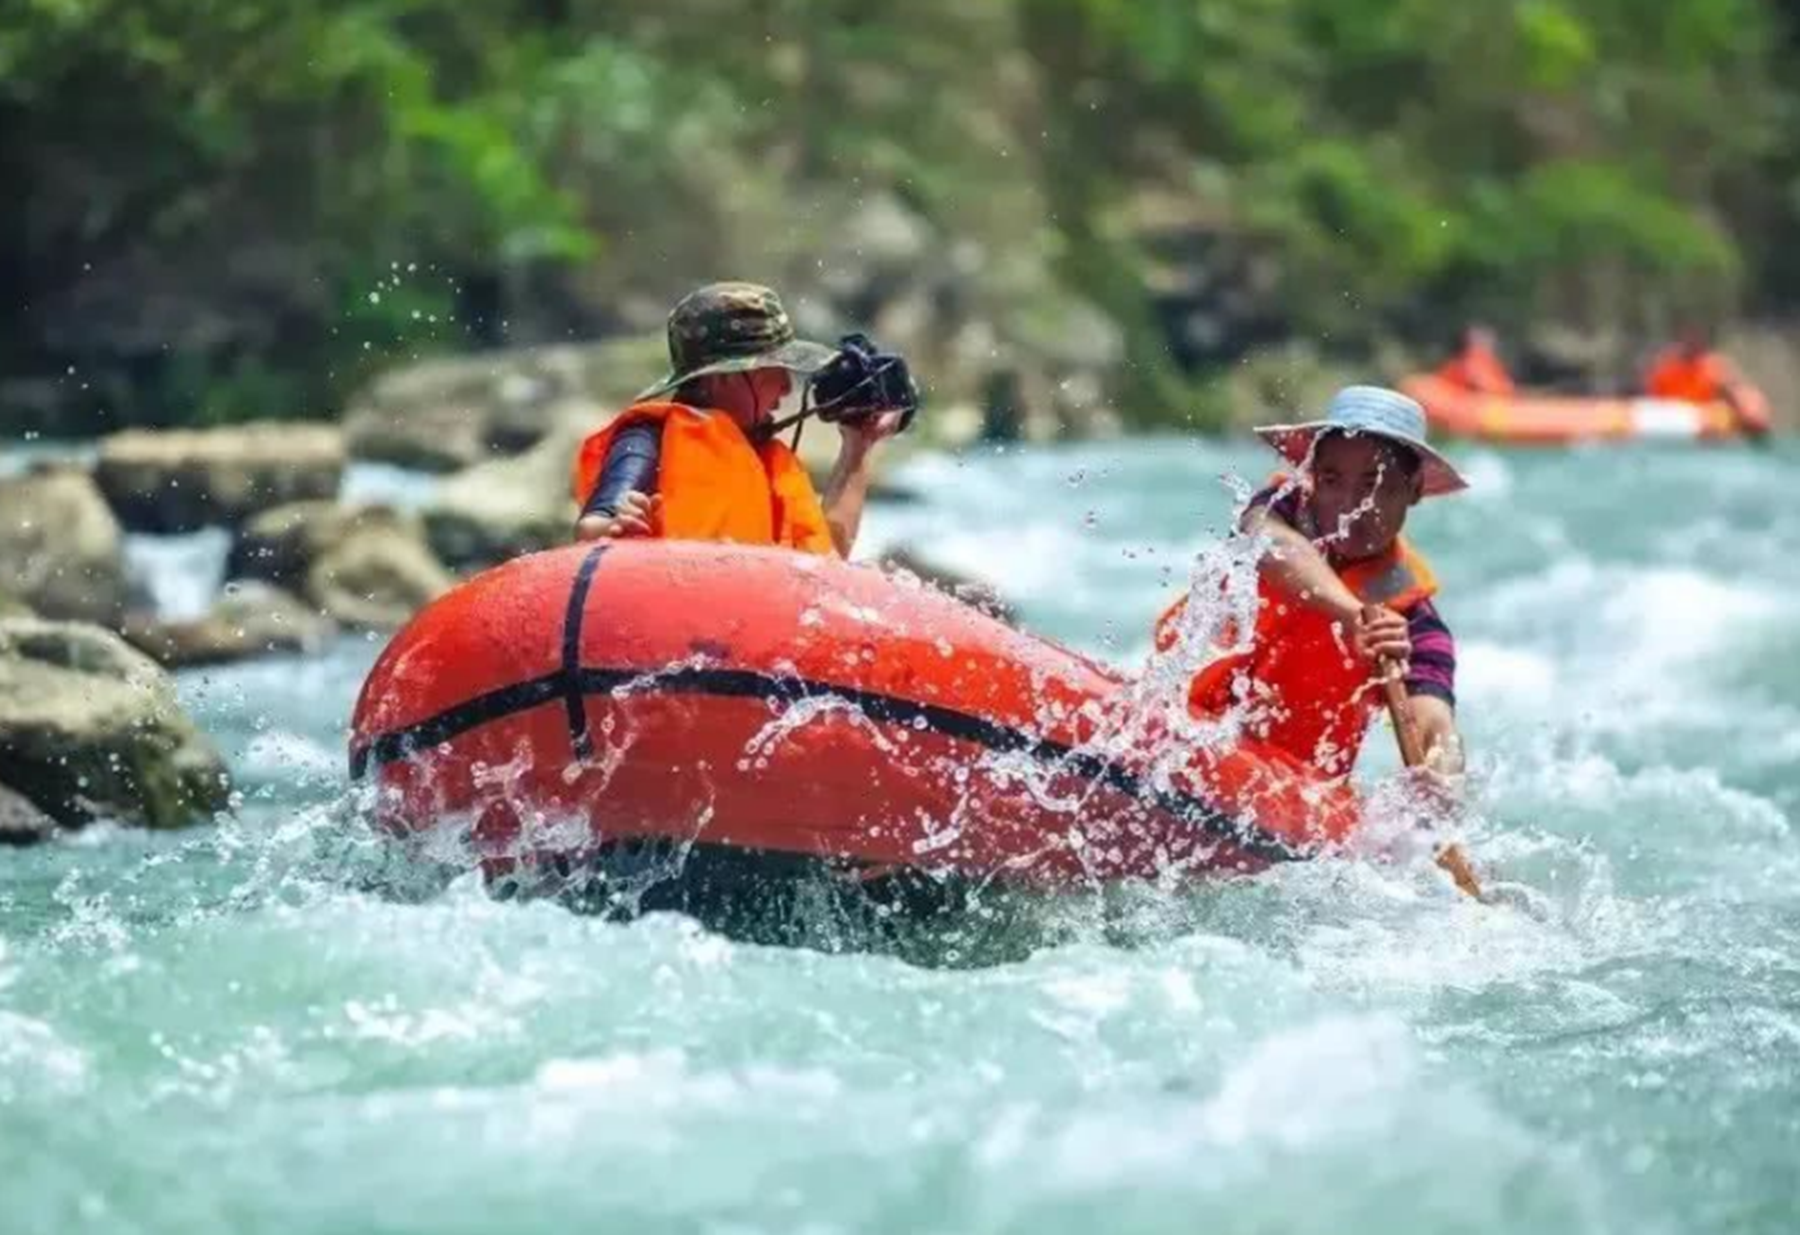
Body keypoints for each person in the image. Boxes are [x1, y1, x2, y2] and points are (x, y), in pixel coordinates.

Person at [1157, 385, 1469, 791]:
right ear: (1312, 478)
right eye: (1331, 479)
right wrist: (1354, 614)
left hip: (1289, 788)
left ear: (1413, 490)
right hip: (1181, 724)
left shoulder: (1414, 623)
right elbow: (1273, 546)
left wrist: (1443, 781)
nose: (1349, 503)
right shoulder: (1277, 510)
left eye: (1373, 484)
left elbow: (1436, 724)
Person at [571, 282, 905, 556]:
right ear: (724, 377)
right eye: (772, 371)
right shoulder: (647, 437)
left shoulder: (768, 463)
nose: (786, 387)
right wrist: (615, 526)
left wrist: (858, 449)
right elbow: (593, 526)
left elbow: (825, 561)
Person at [1642, 327, 1769, 435]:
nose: (1691, 343)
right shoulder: (1666, 365)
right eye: (1687, 339)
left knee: (1722, 415)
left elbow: (1741, 392)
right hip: (1668, 419)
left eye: (1695, 339)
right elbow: (1653, 401)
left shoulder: (1713, 366)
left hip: (1703, 420)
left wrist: (1750, 410)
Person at [1433, 324, 1515, 395]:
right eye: (1482, 339)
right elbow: (1480, 384)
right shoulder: (1467, 363)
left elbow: (1506, 386)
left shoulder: (1490, 364)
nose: (1490, 343)